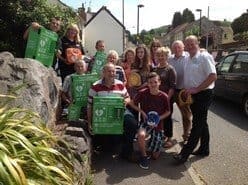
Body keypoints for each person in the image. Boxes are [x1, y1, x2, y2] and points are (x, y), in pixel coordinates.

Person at [173, 35, 217, 164]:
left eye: (193, 43)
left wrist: (196, 89)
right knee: (202, 122)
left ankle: (184, 154)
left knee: (197, 124)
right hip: (192, 95)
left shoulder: (204, 57)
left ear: (197, 44)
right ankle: (204, 149)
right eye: (188, 44)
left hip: (204, 94)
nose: (190, 46)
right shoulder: (187, 58)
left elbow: (213, 76)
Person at [127, 72, 170, 169]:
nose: (153, 84)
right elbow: (131, 103)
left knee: (155, 156)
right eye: (150, 82)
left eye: (155, 82)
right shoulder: (142, 93)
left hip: (158, 125)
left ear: (159, 82)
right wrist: (141, 111)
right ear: (147, 83)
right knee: (141, 134)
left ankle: (155, 142)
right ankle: (143, 156)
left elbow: (168, 112)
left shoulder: (164, 96)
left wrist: (159, 118)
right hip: (145, 123)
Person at [87, 63, 130, 152]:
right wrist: (89, 123)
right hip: (103, 114)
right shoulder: (95, 86)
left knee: (131, 123)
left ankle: (127, 150)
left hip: (118, 111)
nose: (111, 73)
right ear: (103, 72)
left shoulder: (120, 84)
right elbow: (90, 105)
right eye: (109, 71)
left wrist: (125, 101)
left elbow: (128, 97)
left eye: (113, 71)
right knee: (107, 144)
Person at [169, 40, 192, 144]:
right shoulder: (170, 59)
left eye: (179, 47)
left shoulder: (188, 57)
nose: (177, 49)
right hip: (172, 90)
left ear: (183, 47)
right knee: (168, 113)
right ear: (172, 49)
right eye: (175, 47)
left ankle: (186, 135)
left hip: (183, 91)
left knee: (186, 115)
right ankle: (168, 135)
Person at [153, 46, 176, 148]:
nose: (160, 57)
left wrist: (167, 98)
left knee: (167, 118)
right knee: (159, 117)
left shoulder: (170, 69)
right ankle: (161, 135)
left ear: (167, 56)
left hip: (167, 98)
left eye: (162, 55)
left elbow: (172, 86)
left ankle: (169, 138)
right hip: (156, 98)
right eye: (158, 55)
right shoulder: (155, 69)